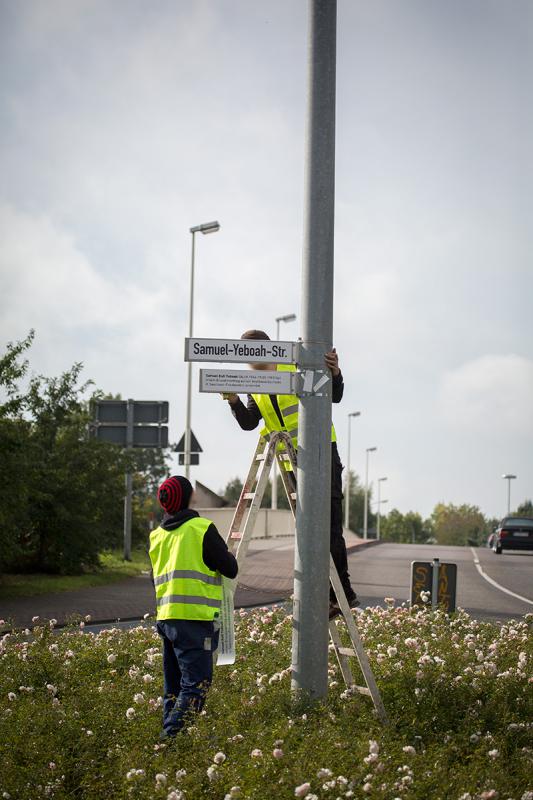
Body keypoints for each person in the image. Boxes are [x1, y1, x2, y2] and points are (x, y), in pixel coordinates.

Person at [222, 329, 358, 619]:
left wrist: (335, 373)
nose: (246, 362)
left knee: (330, 526)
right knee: (307, 532)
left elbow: (335, 396)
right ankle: (316, 590)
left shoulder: (297, 365)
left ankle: (342, 594)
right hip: (289, 464)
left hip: (321, 455)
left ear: (265, 351)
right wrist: (233, 401)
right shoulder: (254, 384)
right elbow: (249, 423)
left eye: (248, 354)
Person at [149, 475, 238, 739]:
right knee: (197, 686)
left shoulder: (156, 536)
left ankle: (172, 748)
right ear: (188, 498)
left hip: (167, 618)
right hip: (195, 622)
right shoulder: (201, 528)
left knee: (174, 688)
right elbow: (230, 569)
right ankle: (170, 740)